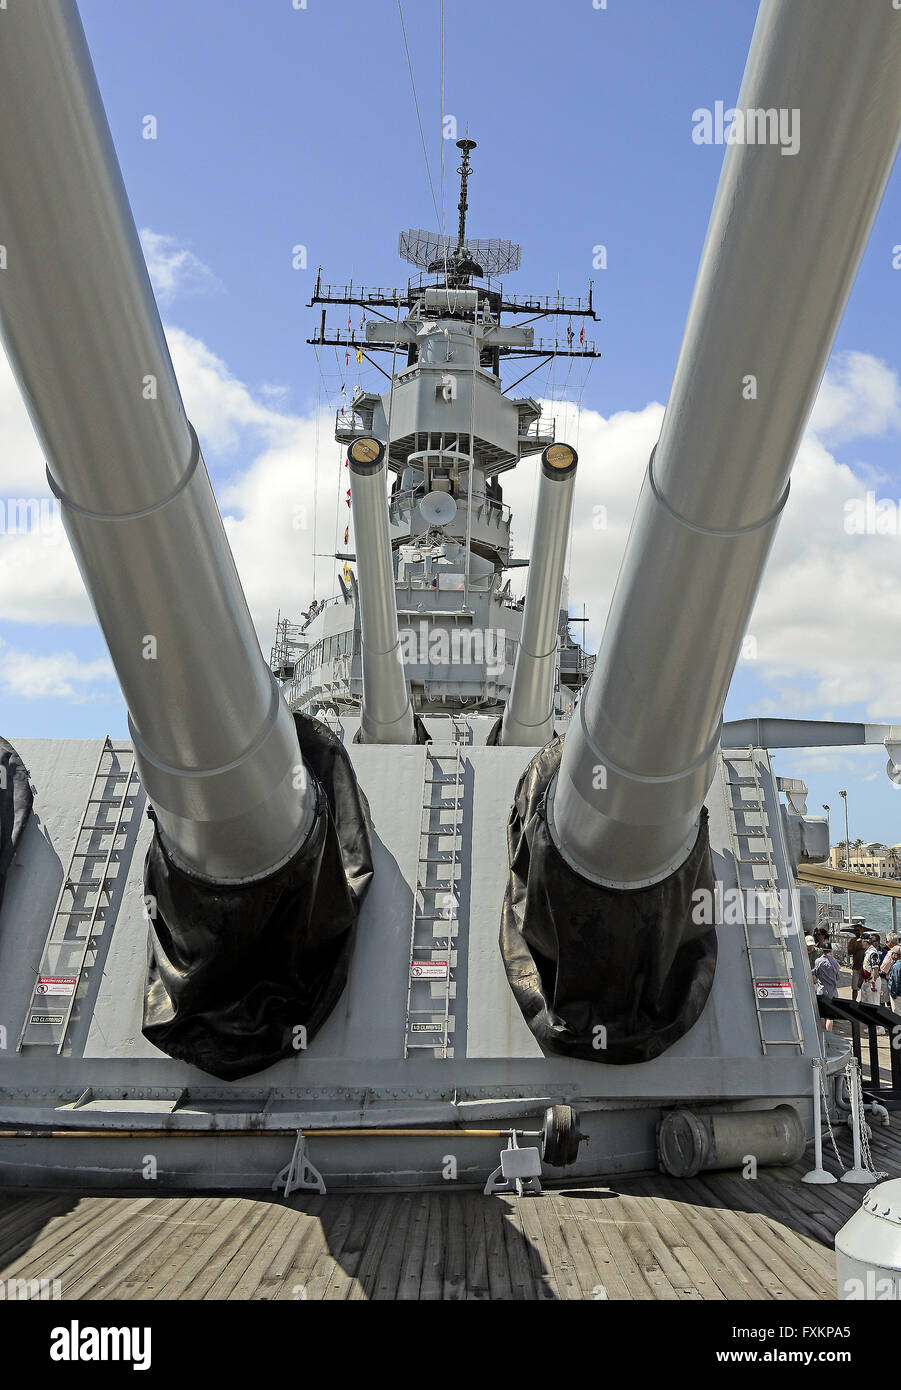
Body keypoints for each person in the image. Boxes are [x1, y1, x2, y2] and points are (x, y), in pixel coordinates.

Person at [814, 942, 841, 1031]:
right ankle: (829, 1034)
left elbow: (816, 974)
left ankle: (823, 1033)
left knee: (822, 1014)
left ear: (822, 950)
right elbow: (838, 977)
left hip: (821, 990)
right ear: (831, 950)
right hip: (832, 991)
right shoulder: (835, 962)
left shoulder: (818, 961)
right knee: (830, 1016)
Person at [860, 935, 883, 1007]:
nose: (861, 943)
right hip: (867, 981)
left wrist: (873, 982)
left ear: (865, 942)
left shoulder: (873, 953)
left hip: (872, 981)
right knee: (865, 1005)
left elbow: (875, 968)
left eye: (861, 941)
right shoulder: (868, 952)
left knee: (873, 1005)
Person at [847, 925, 867, 1002]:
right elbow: (849, 952)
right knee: (855, 987)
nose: (857, 932)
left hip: (865, 968)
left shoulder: (866, 940)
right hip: (856, 967)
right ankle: (853, 1001)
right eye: (855, 930)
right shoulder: (853, 941)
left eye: (858, 930)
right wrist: (858, 945)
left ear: (862, 931)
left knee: (865, 987)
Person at [889, 953, 901, 1017]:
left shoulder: (897, 966)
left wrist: (893, 994)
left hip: (898, 995)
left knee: (897, 1015)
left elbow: (895, 981)